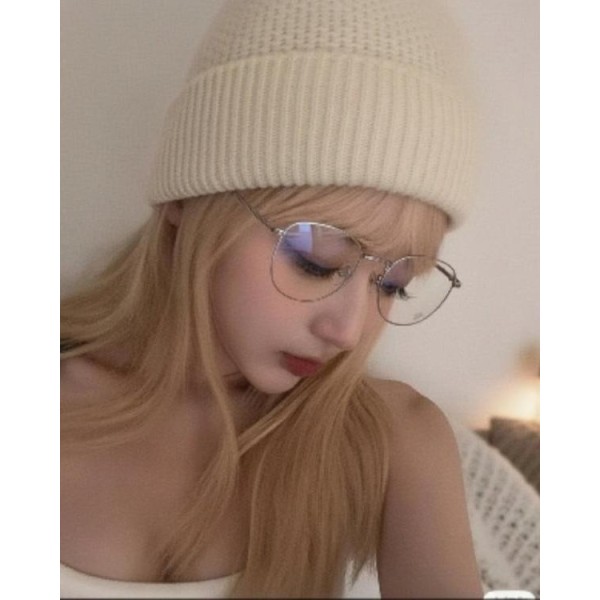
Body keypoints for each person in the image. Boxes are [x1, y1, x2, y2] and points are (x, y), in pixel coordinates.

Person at [61, 0, 483, 597]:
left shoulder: (394, 442)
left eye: (392, 285)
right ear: (184, 199)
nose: (348, 330)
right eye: (316, 261)